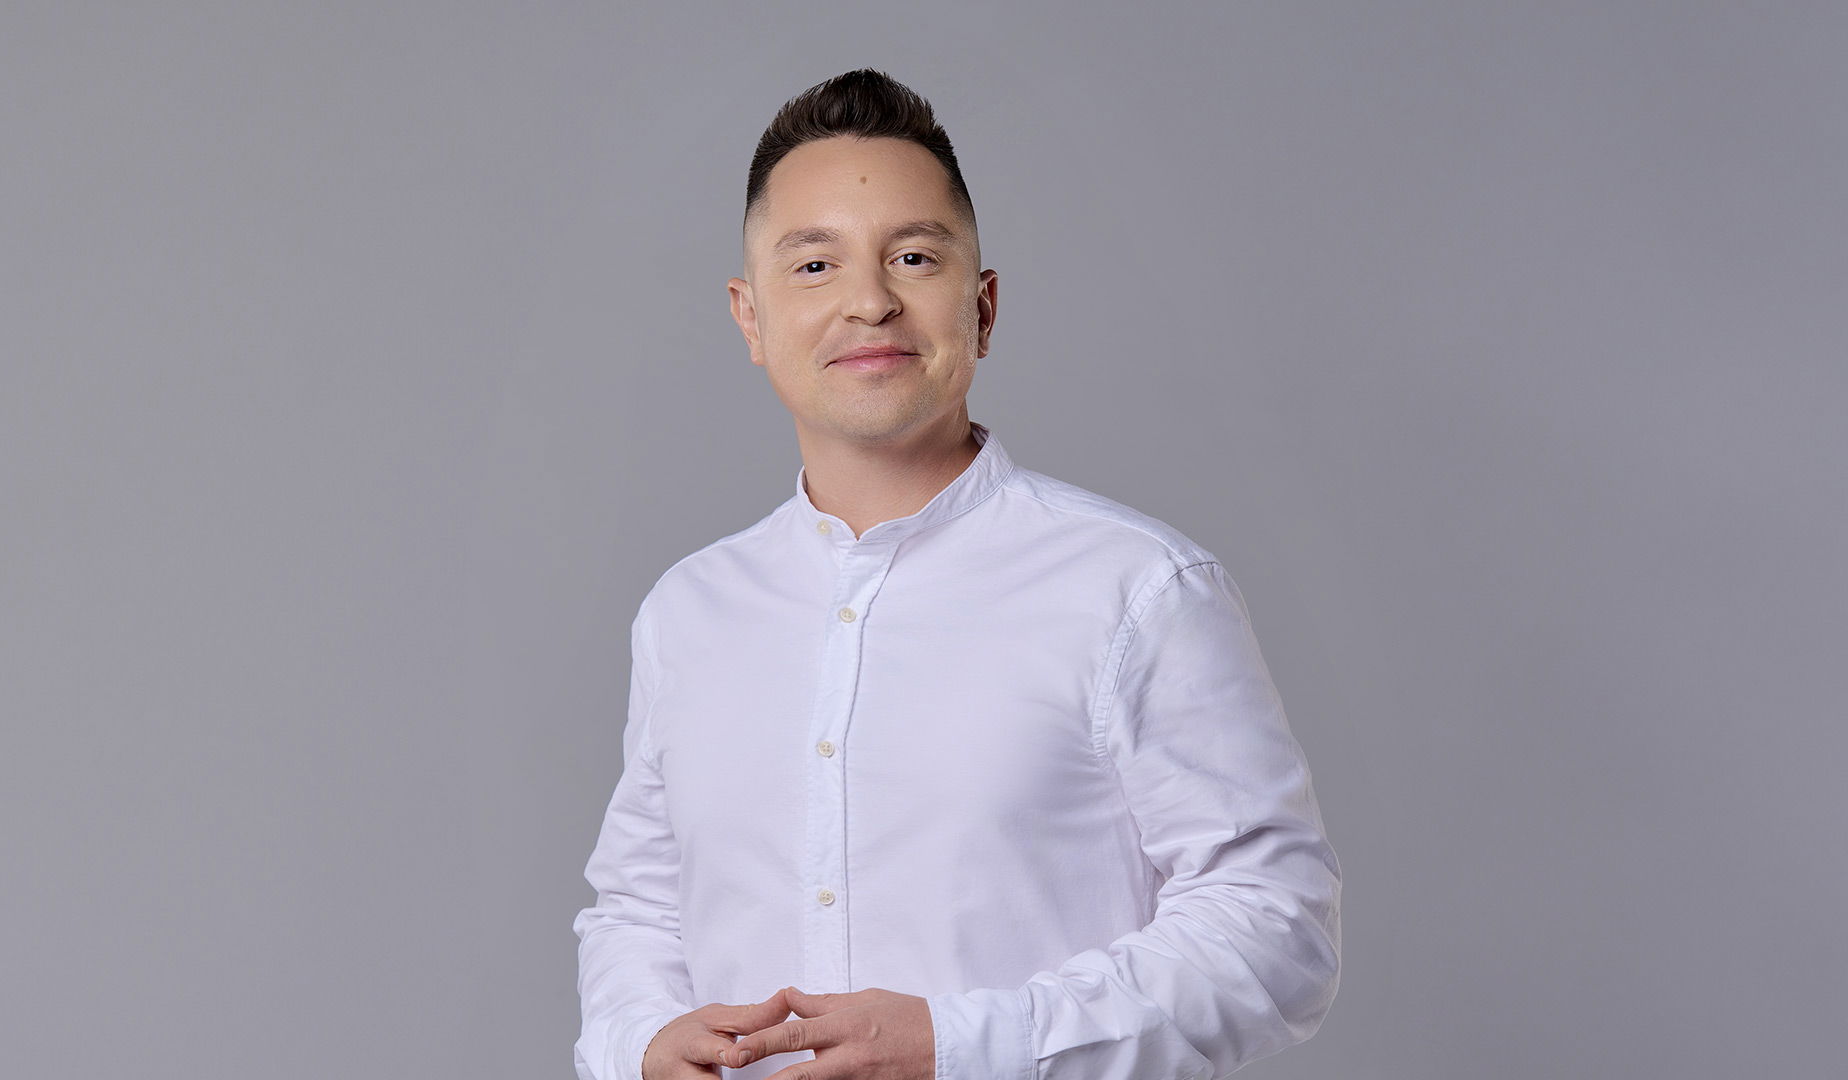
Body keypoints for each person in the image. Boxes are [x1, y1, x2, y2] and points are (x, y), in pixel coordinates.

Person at [572, 68, 1342, 1080]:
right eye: (815, 265)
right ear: (749, 319)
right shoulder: (689, 613)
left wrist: (964, 1046)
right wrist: (637, 1045)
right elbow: (637, 909)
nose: (869, 301)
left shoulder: (1139, 590)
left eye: (914, 257)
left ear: (982, 309)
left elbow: (1275, 928)